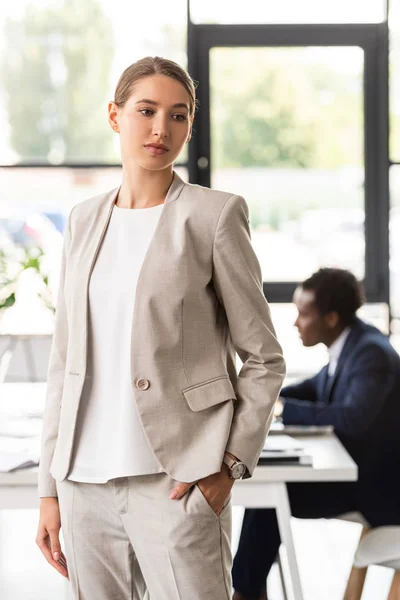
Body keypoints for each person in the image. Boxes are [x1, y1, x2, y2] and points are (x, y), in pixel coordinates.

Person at [35, 56, 286, 600]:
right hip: (84, 485)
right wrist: (49, 490)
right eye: (146, 111)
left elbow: (264, 357)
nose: (160, 129)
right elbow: (65, 362)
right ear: (114, 115)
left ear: (189, 126)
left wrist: (227, 468)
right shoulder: (82, 219)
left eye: (178, 116)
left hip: (178, 483)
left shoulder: (213, 216)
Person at [232, 267, 400, 600]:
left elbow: (351, 418)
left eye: (304, 314)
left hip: (378, 491)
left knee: (271, 495)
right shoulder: (352, 344)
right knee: (269, 493)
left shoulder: (370, 353)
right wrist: (263, 397)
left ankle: (246, 592)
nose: (296, 323)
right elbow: (314, 388)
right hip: (363, 478)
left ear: (332, 318)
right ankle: (249, 589)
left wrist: (279, 409)